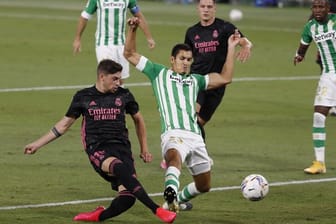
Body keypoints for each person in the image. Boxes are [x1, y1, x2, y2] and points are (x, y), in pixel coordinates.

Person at [23, 59, 176, 223]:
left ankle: (98, 216)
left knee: (128, 198)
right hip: (98, 149)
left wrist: (144, 148)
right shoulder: (83, 97)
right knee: (119, 168)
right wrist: (37, 144)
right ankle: (157, 209)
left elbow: (138, 119)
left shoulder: (124, 95)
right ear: (102, 77)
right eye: (115, 79)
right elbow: (63, 125)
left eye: (120, 78)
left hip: (122, 148)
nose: (119, 82)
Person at [124, 17, 240, 212]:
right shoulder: (158, 73)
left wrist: (231, 47)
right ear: (172, 60)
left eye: (189, 60)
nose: (186, 63)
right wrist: (133, 30)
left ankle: (174, 200)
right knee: (173, 157)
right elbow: (129, 53)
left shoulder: (196, 80)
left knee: (204, 185)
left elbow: (225, 78)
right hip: (173, 133)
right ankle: (170, 190)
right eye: (182, 59)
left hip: (195, 137)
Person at [184, 0, 252, 139]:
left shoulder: (225, 28)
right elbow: (186, 57)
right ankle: (180, 156)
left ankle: (198, 153)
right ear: (198, 8)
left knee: (199, 123)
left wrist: (246, 46)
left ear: (215, 8)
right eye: (203, 6)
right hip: (198, 81)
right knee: (191, 119)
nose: (206, 10)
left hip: (218, 84)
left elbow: (245, 40)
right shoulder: (191, 32)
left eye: (209, 7)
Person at [294, 0, 336, 174]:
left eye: (321, 7)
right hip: (328, 76)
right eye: (315, 7)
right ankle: (320, 163)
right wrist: (299, 55)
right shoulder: (310, 27)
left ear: (328, 9)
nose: (318, 10)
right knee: (319, 116)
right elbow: (304, 45)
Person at [72, 0, 155, 81]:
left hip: (122, 46)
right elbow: (84, 16)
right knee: (108, 77)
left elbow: (139, 16)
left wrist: (149, 37)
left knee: (120, 80)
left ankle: (119, 95)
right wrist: (77, 38)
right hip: (103, 44)